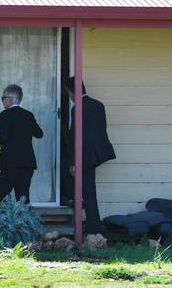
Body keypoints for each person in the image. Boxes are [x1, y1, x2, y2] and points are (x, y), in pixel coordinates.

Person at [66, 77, 116, 236]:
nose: (69, 97)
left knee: (87, 192)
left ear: (72, 91)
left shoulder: (77, 108)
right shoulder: (98, 105)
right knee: (89, 191)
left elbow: (75, 136)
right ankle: (93, 226)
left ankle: (93, 228)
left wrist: (73, 162)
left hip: (83, 156)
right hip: (96, 154)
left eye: (68, 93)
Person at [0, 84, 43, 204]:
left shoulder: (5, 114)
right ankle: (24, 222)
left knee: (1, 196)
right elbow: (39, 134)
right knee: (23, 197)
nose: (3, 101)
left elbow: (4, 136)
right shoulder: (28, 115)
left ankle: (6, 222)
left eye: (3, 98)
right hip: (27, 162)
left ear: (10, 98)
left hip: (11, 162)